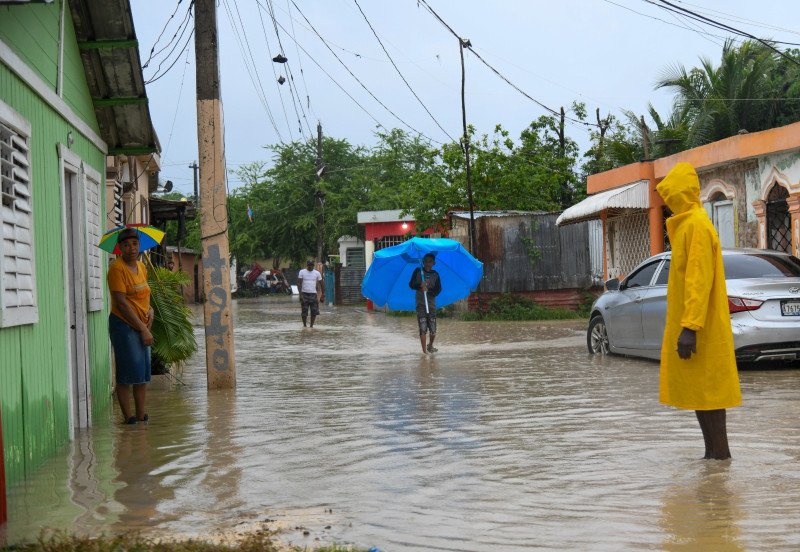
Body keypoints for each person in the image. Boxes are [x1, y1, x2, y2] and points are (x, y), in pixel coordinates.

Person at [656, 162, 741, 460]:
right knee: (700, 394)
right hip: (695, 325)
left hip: (702, 328)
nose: (666, 203)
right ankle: (713, 464)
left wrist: (690, 327)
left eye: (669, 196)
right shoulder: (688, 225)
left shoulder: (696, 226)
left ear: (680, 193)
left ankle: (720, 457)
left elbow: (698, 280)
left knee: (711, 394)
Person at [107, 227, 154, 425]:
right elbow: (122, 303)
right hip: (125, 325)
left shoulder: (141, 267)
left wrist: (149, 310)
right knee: (127, 373)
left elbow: (142, 294)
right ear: (120, 248)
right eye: (126, 245)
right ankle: (129, 418)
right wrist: (142, 329)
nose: (131, 248)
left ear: (139, 245)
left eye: (134, 244)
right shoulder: (117, 269)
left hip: (142, 322)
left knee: (142, 372)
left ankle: (141, 415)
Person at [409, 253, 442, 354]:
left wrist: (429, 291)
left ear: (434, 263)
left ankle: (430, 345)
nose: (428, 263)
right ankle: (424, 352)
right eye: (426, 261)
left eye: (430, 261)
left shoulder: (435, 274)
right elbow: (411, 284)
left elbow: (439, 289)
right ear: (423, 262)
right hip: (420, 304)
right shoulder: (418, 271)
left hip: (431, 305)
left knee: (433, 329)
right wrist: (420, 285)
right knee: (423, 328)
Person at [297, 259, 322, 327]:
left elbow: (322, 283)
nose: (310, 267)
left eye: (311, 265)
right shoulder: (302, 272)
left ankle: (311, 326)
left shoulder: (317, 273)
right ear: (307, 265)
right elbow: (299, 283)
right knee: (304, 311)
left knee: (314, 311)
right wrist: (300, 294)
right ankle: (304, 325)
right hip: (304, 294)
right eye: (309, 265)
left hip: (313, 294)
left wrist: (323, 294)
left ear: (313, 266)